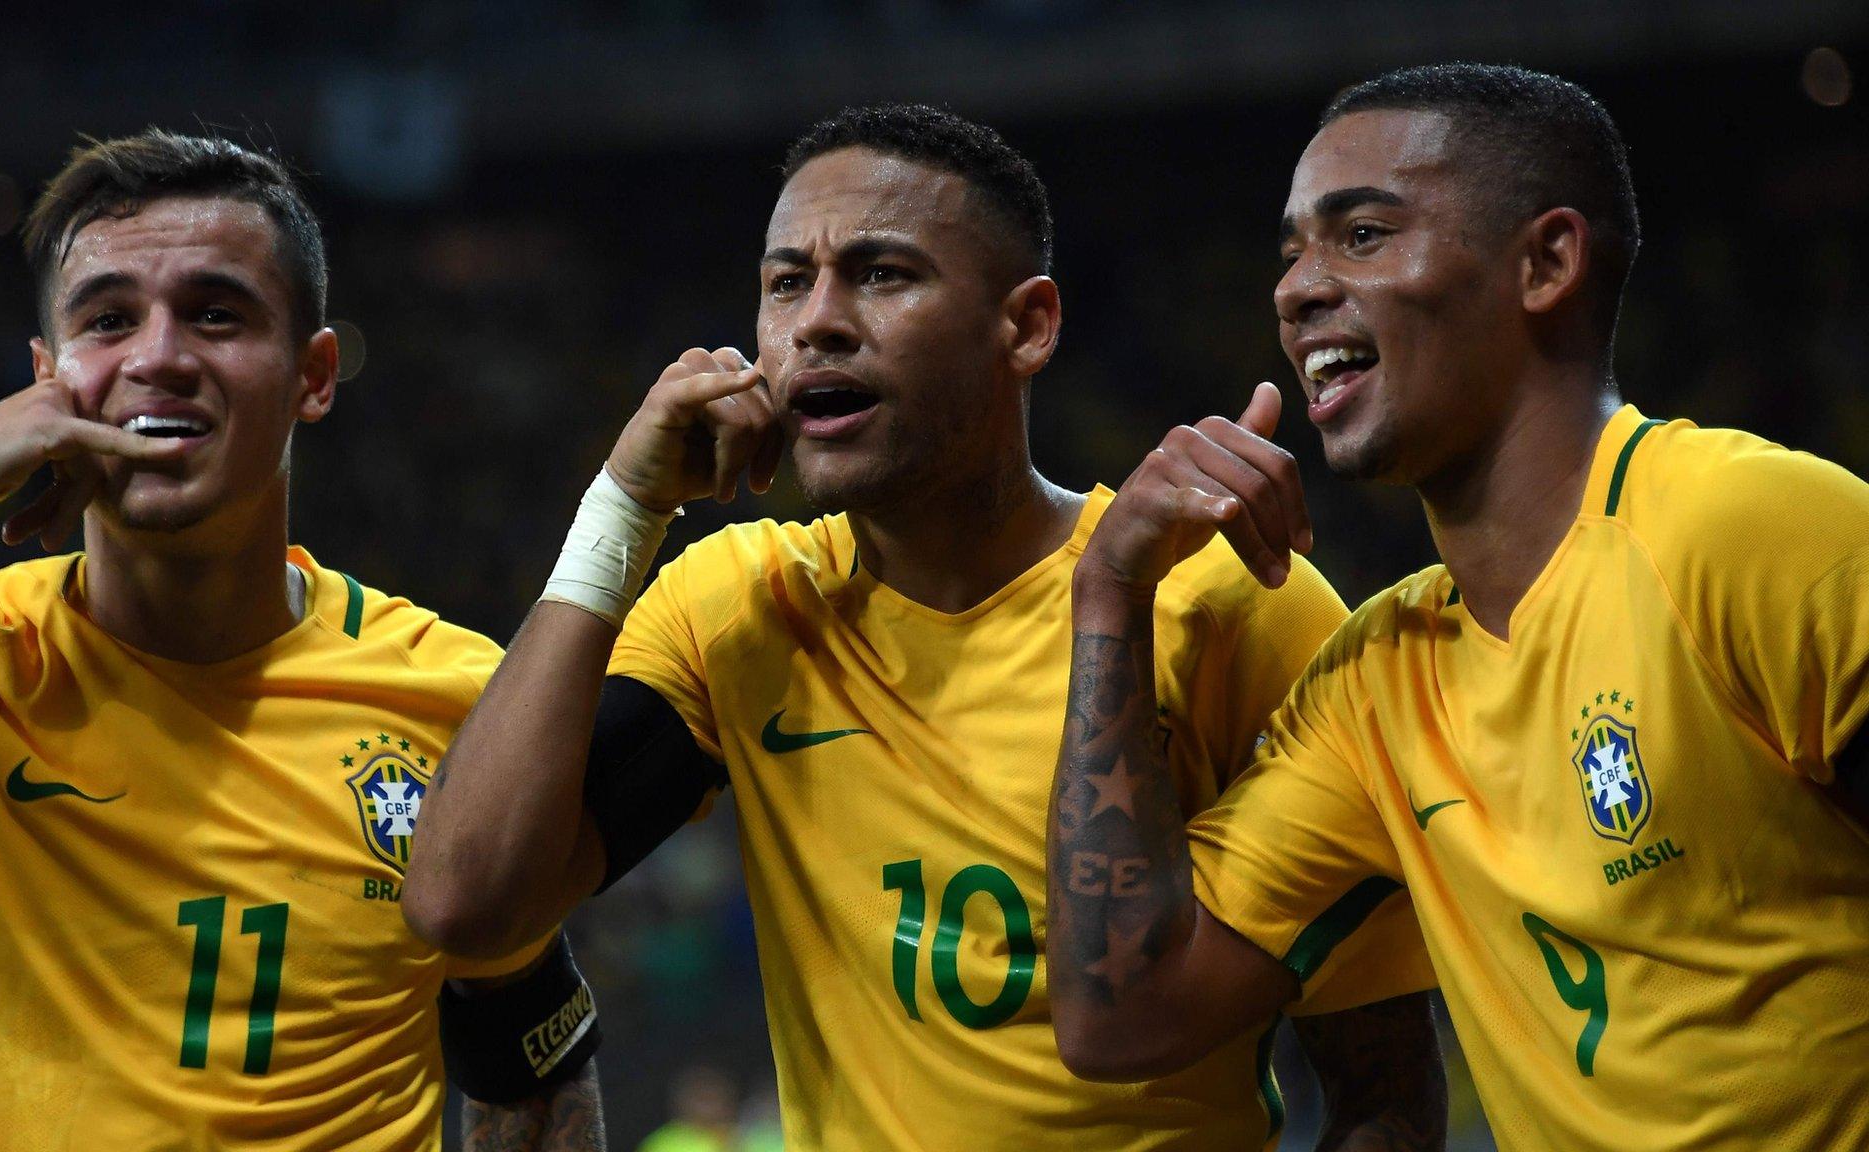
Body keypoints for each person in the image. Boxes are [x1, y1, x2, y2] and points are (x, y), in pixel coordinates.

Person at [406, 105, 1444, 1151]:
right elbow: (465, 905)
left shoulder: (1229, 601)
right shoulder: (738, 607)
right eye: (783, 283)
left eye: (880, 274)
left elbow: (1382, 1088)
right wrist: (622, 512)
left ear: (1027, 325)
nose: (815, 320)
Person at [1048, 62, 1869, 1150]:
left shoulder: (1748, 529)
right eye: (1291, 251)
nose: (1295, 289)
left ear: (1546, 262)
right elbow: (1119, 1015)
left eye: (1362, 235)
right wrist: (1108, 590)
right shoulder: (1374, 683)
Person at [0, 131, 604, 1150]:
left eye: (216, 315)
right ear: (44, 380)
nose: (158, 356)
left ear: (312, 375)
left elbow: (529, 1072)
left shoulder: (453, 692)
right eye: (108, 320)